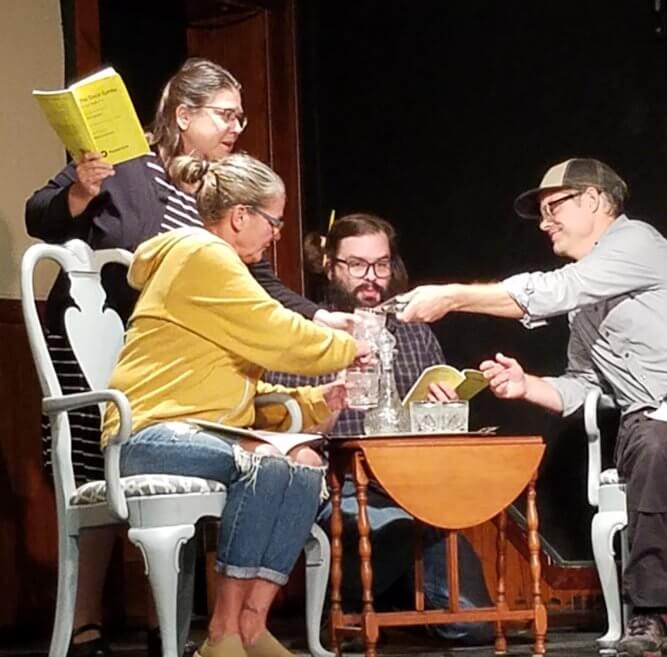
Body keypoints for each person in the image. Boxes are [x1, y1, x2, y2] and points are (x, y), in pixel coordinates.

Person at [396, 158, 667, 657]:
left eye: (554, 207)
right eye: (541, 213)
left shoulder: (637, 241)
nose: (545, 223)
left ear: (595, 201)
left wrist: (452, 296)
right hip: (653, 414)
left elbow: (553, 291)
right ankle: (649, 613)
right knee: (651, 443)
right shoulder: (585, 304)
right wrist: (528, 386)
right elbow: (585, 385)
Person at [25, 58, 348, 657]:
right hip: (104, 327)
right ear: (183, 115)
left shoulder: (220, 187)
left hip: (182, 353)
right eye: (226, 114)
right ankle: (89, 620)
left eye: (240, 116)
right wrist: (82, 188)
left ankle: (179, 625)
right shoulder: (121, 162)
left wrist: (317, 314)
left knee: (254, 457)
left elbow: (255, 286)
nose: (236, 127)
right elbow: (39, 215)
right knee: (101, 472)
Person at [103, 152, 366, 657]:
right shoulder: (202, 253)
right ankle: (221, 632)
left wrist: (314, 401)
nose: (276, 234)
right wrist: (349, 346)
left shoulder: (223, 268)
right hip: (148, 433)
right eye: (274, 221)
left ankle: (251, 625)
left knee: (306, 462)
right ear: (241, 216)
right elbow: (275, 333)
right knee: (262, 460)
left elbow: (235, 390)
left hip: (201, 432)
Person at [265, 213, 493, 646]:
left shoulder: (414, 334)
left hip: (413, 488)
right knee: (381, 524)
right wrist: (337, 396)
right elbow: (290, 429)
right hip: (341, 487)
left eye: (381, 265)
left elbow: (429, 434)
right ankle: (360, 599)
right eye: (357, 265)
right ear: (330, 265)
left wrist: (439, 408)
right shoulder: (302, 335)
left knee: (473, 626)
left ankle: (389, 595)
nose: (371, 278)